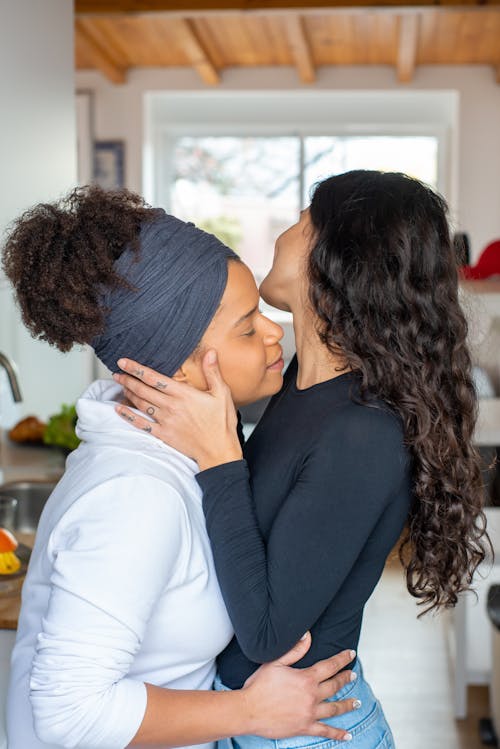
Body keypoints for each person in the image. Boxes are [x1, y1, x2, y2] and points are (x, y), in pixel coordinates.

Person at [113, 170, 490, 749]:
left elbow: (268, 634)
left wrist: (219, 456)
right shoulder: (304, 381)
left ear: (335, 258)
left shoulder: (362, 433)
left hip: (310, 733)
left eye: (301, 221)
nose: (283, 234)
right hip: (259, 718)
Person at [2, 186, 360, 749]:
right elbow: (68, 712)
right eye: (247, 326)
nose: (274, 332)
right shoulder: (136, 496)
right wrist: (249, 710)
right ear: (174, 369)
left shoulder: (186, 454)